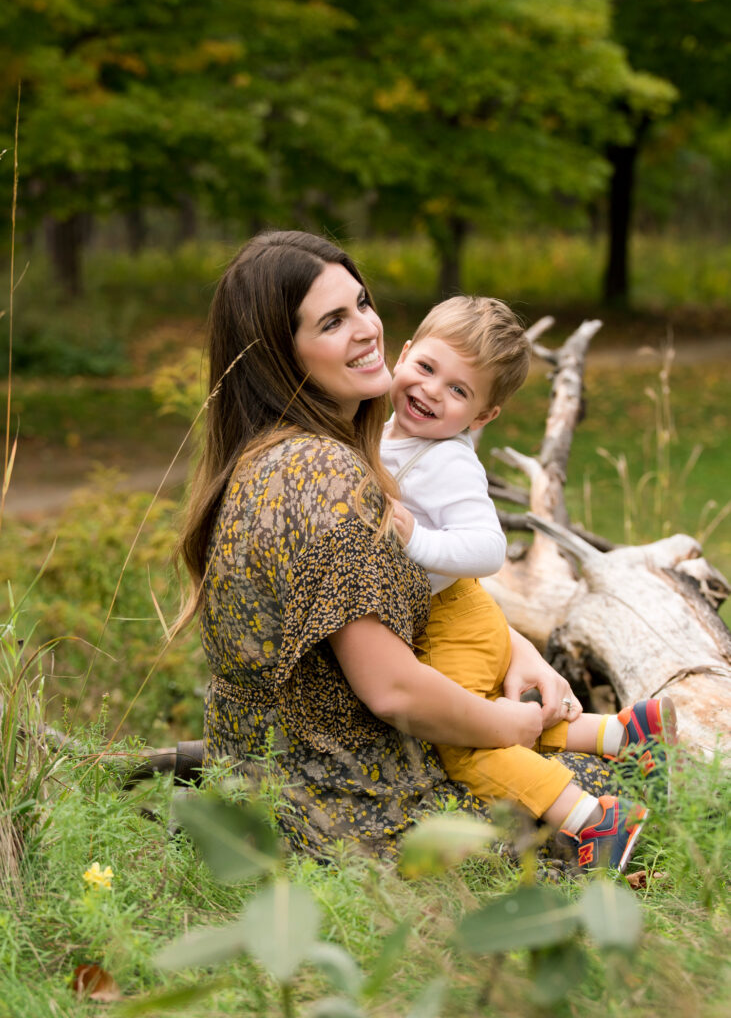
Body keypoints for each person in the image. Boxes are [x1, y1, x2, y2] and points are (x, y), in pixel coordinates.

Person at [174, 230, 625, 868]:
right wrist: (506, 725)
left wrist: (515, 649)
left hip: (269, 787)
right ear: (280, 353)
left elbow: (393, 601)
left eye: (362, 303)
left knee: (566, 760)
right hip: (343, 812)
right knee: (614, 788)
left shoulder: (274, 456)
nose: (366, 329)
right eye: (333, 321)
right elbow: (394, 692)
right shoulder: (327, 480)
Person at [380, 295, 678, 870]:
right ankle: (621, 735)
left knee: (468, 743)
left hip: (452, 622)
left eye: (459, 391)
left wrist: (415, 537)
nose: (432, 391)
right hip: (463, 617)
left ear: (483, 417)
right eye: (426, 368)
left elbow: (489, 548)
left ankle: (595, 821)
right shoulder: (386, 428)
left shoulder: (448, 460)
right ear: (406, 353)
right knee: (495, 711)